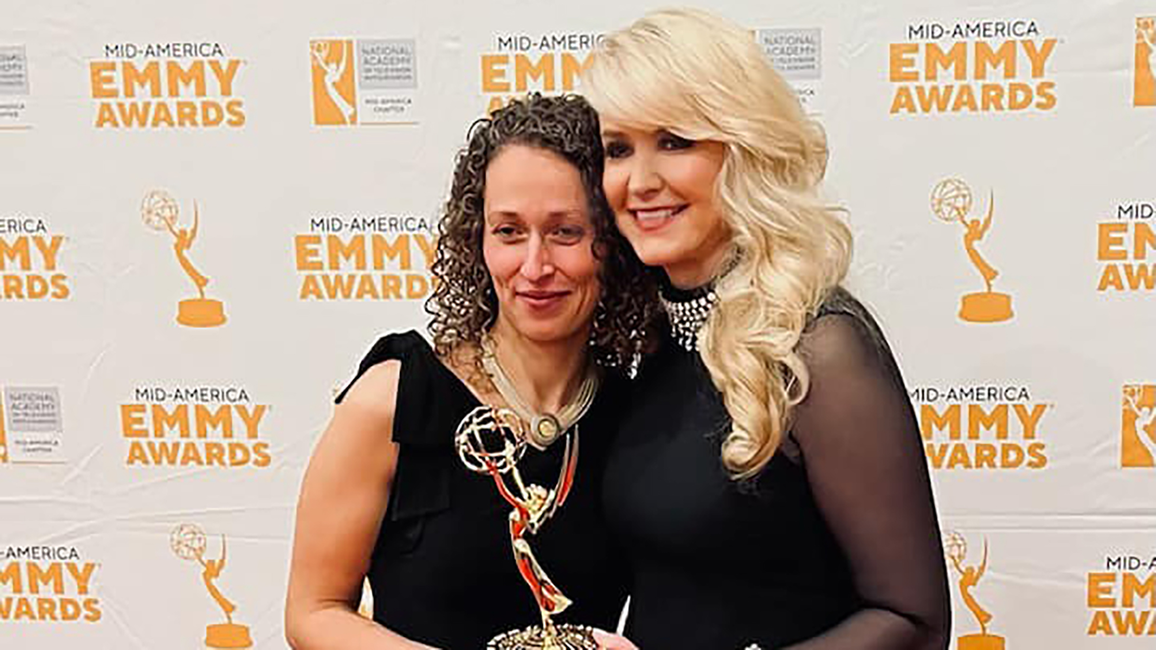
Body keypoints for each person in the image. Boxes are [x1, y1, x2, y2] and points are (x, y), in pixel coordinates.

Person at [582, 8, 951, 650]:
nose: (639, 182)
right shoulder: (651, 342)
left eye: (675, 140)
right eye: (618, 149)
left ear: (743, 149)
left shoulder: (819, 348)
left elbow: (913, 621)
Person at [284, 93, 655, 650]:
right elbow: (313, 612)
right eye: (508, 231)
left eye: (566, 232)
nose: (534, 267)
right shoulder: (393, 400)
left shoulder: (637, 415)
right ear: (475, 238)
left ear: (614, 245)